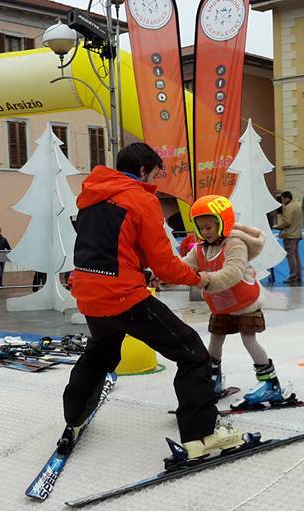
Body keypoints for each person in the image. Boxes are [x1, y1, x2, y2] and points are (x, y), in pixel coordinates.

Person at [59, 142, 252, 461]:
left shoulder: (91, 197)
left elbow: (112, 246)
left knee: (101, 352)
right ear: (143, 170)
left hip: (88, 293)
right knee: (192, 353)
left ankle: (74, 418)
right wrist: (199, 278)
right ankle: (201, 437)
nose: (158, 182)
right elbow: (164, 263)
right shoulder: (140, 199)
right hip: (123, 296)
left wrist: (141, 264)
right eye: (156, 173)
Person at [183, 195, 297, 408]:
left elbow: (233, 273)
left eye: (209, 227)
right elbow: (184, 265)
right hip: (221, 306)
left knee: (249, 340)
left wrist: (203, 279)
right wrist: (162, 274)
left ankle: (270, 384)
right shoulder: (200, 248)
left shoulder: (235, 243)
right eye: (201, 228)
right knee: (215, 340)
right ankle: (213, 379)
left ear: (223, 223)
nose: (205, 232)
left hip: (245, 303)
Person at [273, 191, 303, 285]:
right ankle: (298, 275)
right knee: (296, 255)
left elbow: (287, 222)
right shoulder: (297, 206)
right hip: (297, 234)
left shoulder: (289, 207)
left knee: (291, 256)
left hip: (290, 235)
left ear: (287, 198)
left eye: (282, 198)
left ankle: (292, 276)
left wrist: (277, 226)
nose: (281, 201)